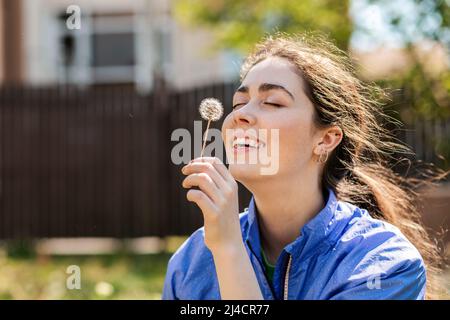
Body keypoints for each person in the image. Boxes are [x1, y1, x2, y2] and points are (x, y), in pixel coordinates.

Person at [162, 33, 447, 300]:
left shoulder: (381, 262)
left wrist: (229, 251)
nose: (242, 116)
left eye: (272, 102)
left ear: (326, 139)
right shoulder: (192, 261)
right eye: (238, 104)